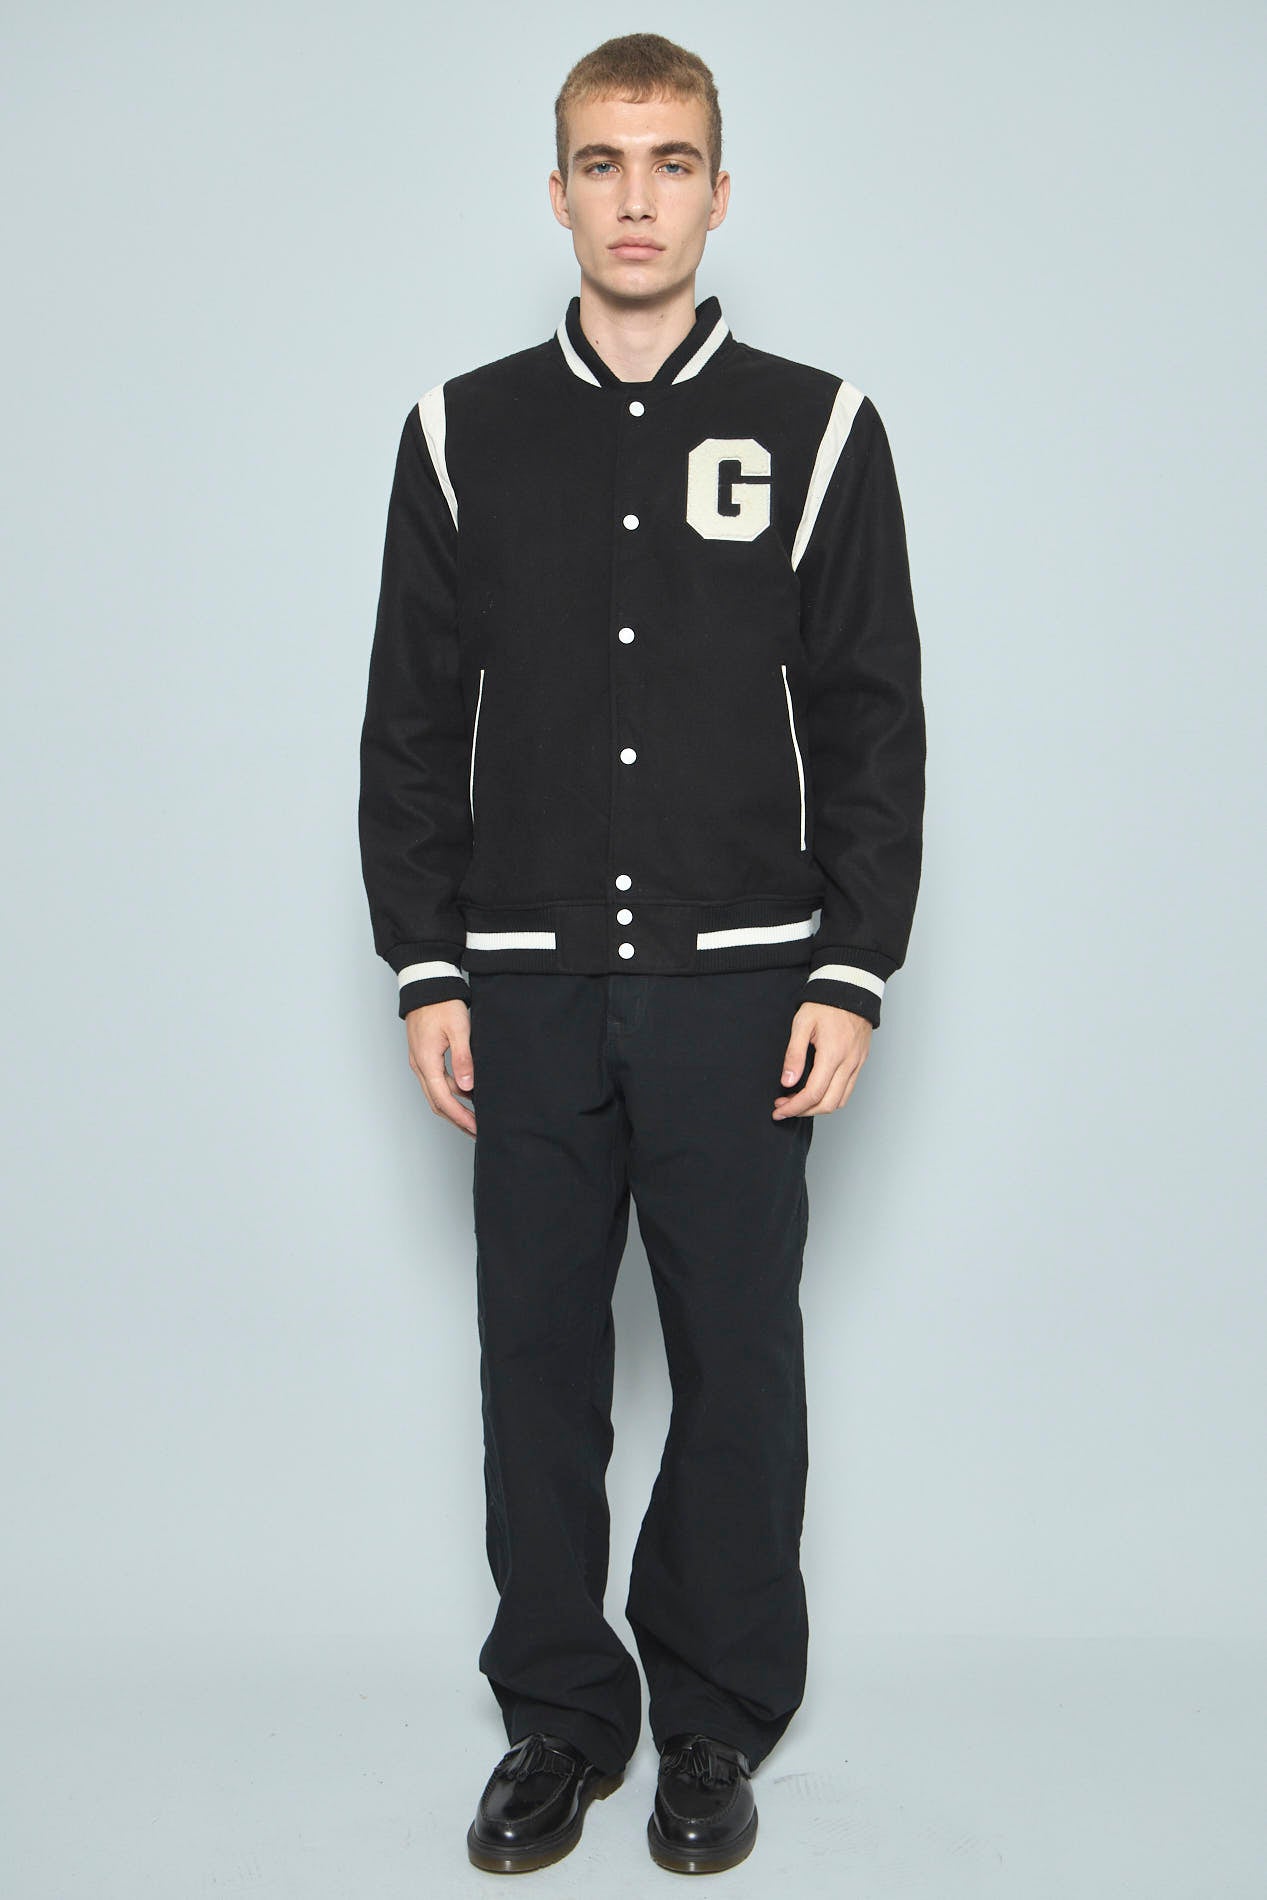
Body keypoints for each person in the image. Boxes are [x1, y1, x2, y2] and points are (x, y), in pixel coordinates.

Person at [358, 30, 926, 1877]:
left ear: (719, 192)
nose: (636, 196)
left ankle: (712, 1722)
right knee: (536, 1365)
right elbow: (408, 724)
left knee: (737, 1367)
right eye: (603, 162)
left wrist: (851, 967)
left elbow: (872, 720)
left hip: (742, 991)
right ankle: (556, 1717)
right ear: (556, 192)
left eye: (670, 162)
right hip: (523, 989)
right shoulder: (461, 433)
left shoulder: (821, 428)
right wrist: (427, 966)